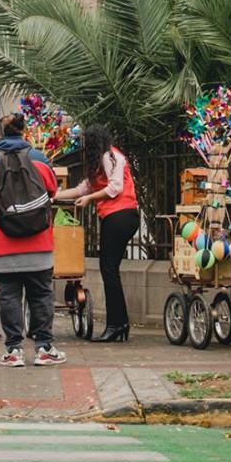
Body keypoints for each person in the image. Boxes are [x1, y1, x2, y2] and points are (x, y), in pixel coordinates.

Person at [0, 112, 66, 368]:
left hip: (1, 246)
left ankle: (14, 350)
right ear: (24, 133)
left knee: (8, 297)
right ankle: (44, 348)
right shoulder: (40, 163)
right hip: (39, 244)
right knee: (41, 296)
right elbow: (53, 190)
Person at [57, 121, 137, 342]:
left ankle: (116, 324)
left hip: (121, 215)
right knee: (109, 269)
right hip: (115, 217)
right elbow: (81, 188)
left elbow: (115, 187)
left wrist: (90, 199)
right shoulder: (100, 161)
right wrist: (54, 195)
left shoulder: (111, 157)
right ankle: (120, 324)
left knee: (109, 269)